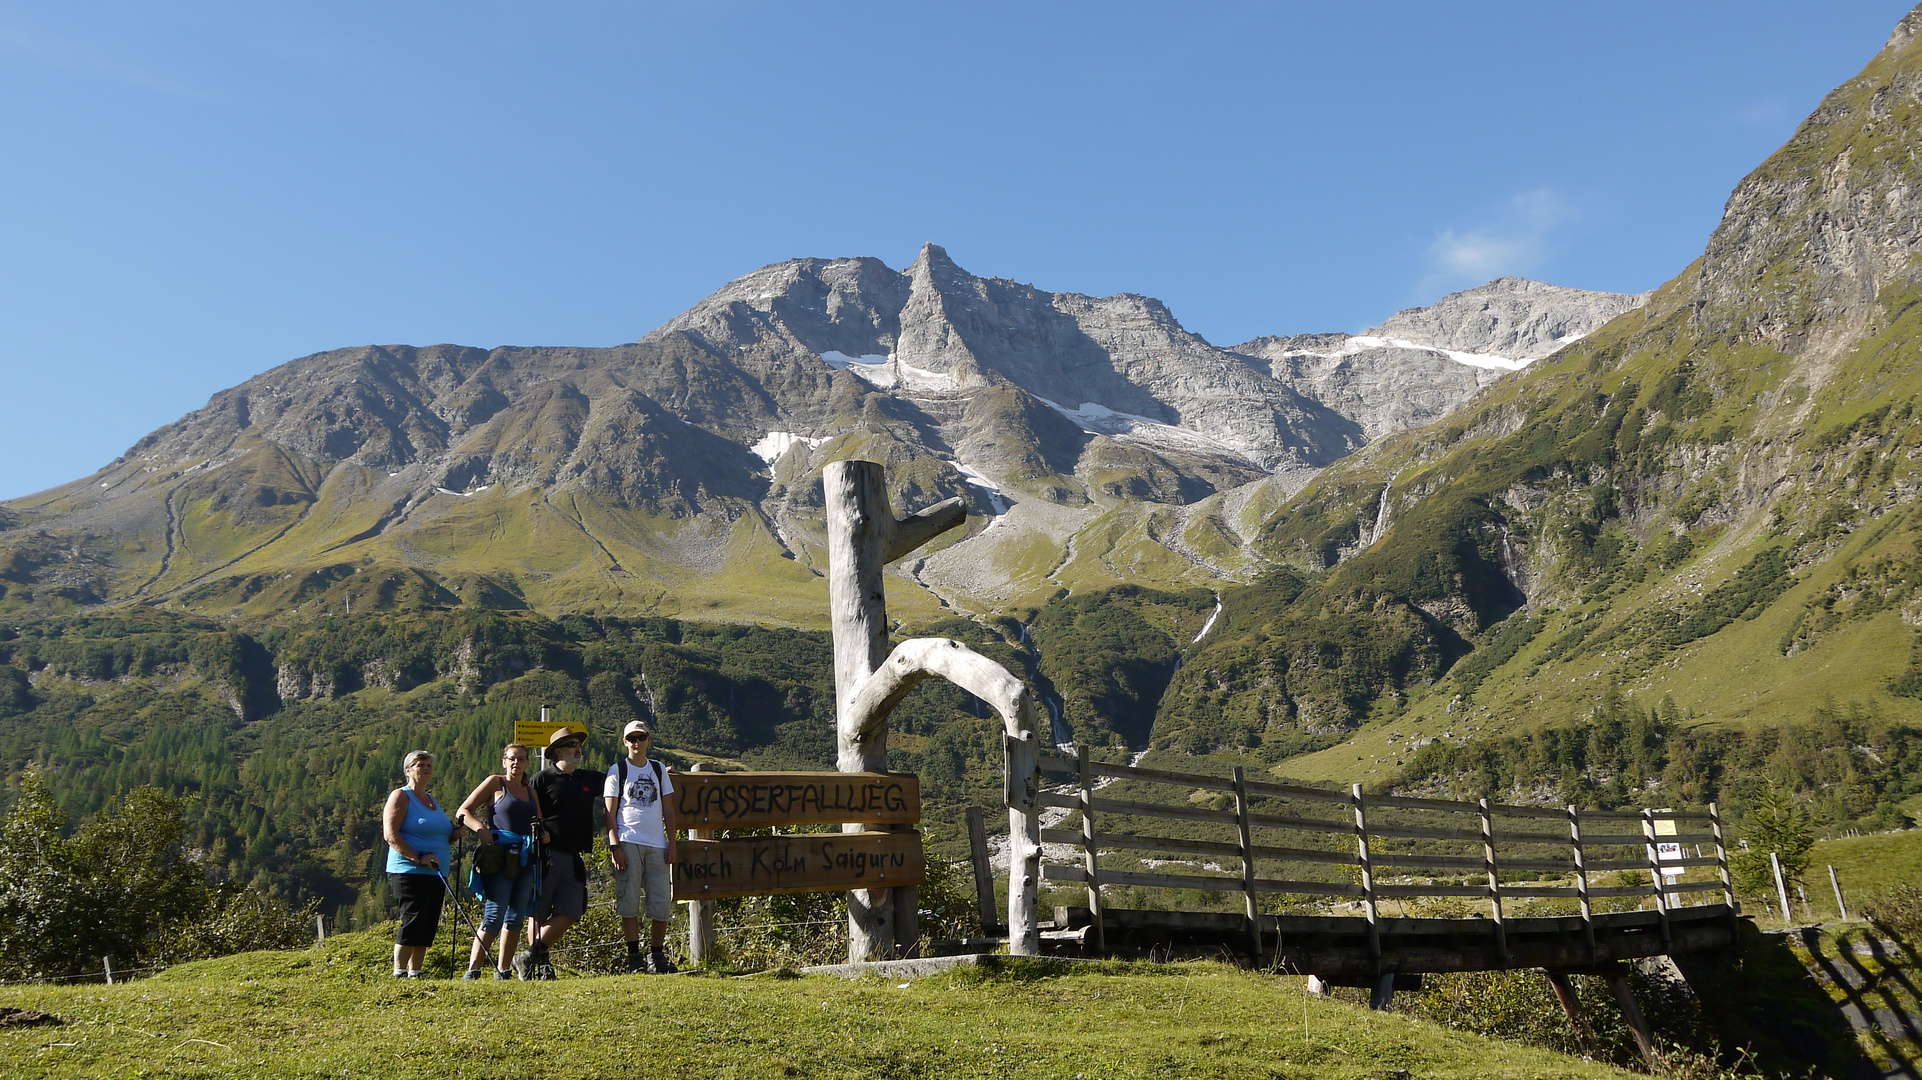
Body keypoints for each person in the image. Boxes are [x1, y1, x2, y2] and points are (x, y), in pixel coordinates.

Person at [519, 725, 603, 980]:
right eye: (571, 745)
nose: (577, 749)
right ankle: (540, 966)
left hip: (573, 855)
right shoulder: (542, 779)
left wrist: (659, 772)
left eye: (578, 744)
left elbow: (624, 777)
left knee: (571, 911)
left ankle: (528, 956)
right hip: (546, 855)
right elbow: (528, 813)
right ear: (557, 752)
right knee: (538, 912)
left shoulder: (589, 778)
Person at [454, 742, 544, 979]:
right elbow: (463, 811)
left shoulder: (531, 792)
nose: (516, 763)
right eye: (512, 758)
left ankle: (503, 970)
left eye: (521, 759)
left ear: (527, 762)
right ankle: (473, 970)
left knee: (515, 916)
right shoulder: (496, 783)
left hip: (526, 860)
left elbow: (540, 823)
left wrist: (544, 835)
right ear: (504, 761)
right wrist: (480, 828)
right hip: (500, 858)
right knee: (494, 915)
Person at [382, 749, 465, 978]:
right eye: (420, 764)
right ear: (408, 771)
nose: (426, 768)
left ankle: (415, 971)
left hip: (436, 872)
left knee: (428, 922)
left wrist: (456, 834)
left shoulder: (431, 800)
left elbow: (440, 835)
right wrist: (417, 857)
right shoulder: (401, 796)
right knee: (413, 918)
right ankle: (399, 971)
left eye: (428, 764)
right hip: (409, 870)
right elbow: (391, 835)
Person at [605, 718, 679, 974]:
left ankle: (656, 957)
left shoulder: (658, 770)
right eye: (632, 738)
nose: (637, 742)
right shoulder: (617, 771)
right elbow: (609, 812)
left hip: (657, 844)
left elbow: (669, 810)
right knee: (629, 900)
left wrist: (672, 843)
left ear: (649, 739)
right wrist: (615, 846)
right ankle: (634, 957)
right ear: (625, 742)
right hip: (628, 842)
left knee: (661, 902)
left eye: (641, 737)